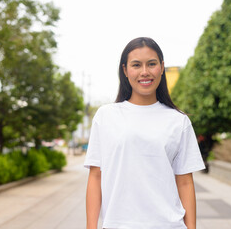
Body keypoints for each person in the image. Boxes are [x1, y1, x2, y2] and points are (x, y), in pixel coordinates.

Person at [84, 37, 205, 229]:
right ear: (125, 70)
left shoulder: (178, 121)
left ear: (162, 67)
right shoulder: (106, 116)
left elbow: (185, 183)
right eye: (136, 65)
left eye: (151, 64)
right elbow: (95, 176)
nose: (145, 72)